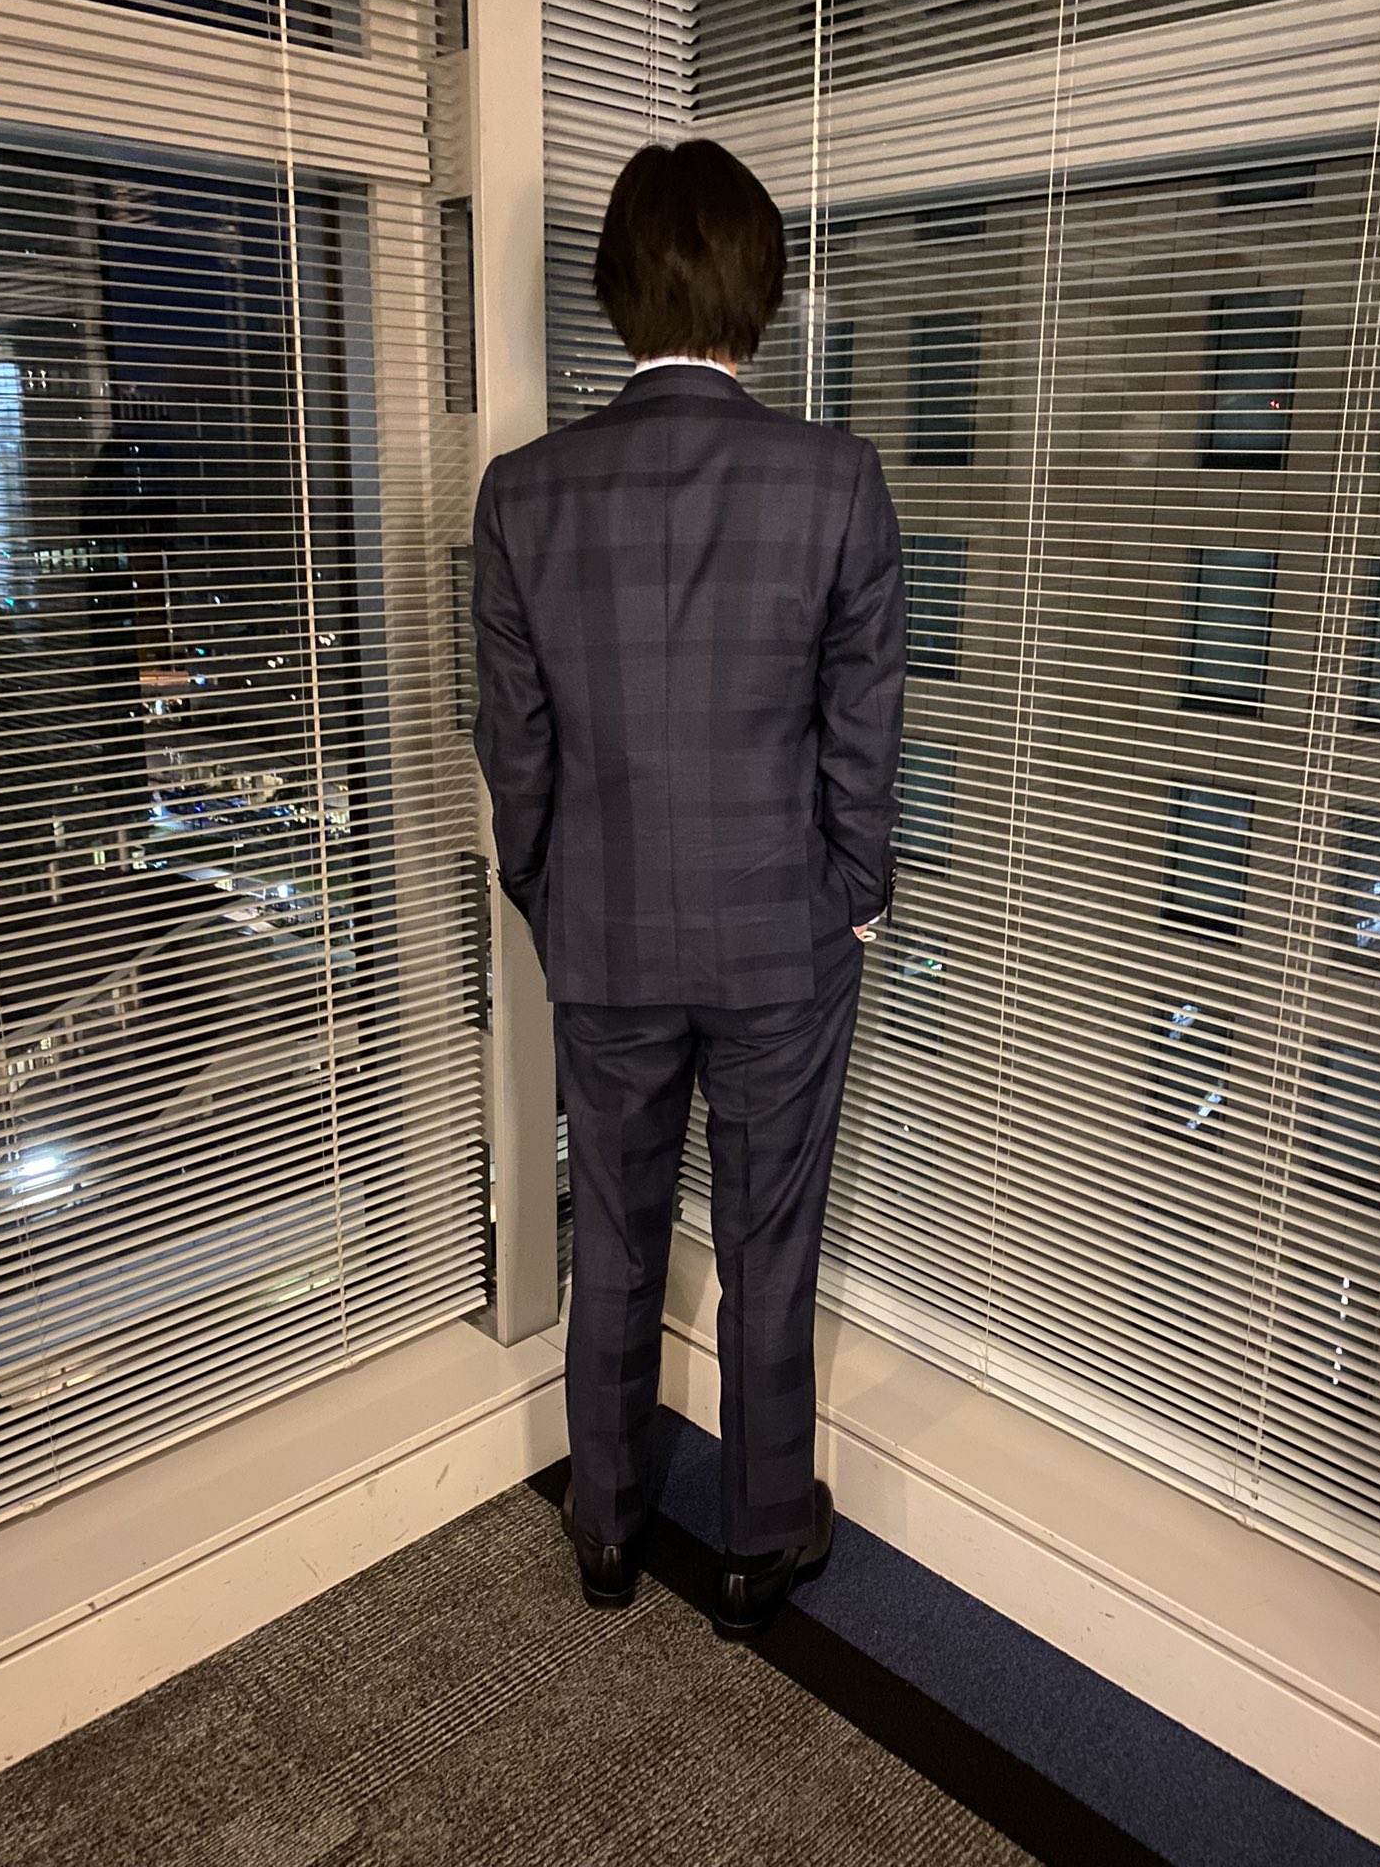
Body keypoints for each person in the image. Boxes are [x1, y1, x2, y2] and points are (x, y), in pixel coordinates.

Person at [472, 138, 905, 1639]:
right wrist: (851, 896)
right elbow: (864, 727)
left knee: (614, 1228)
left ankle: (606, 1526)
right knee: (773, 1241)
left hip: (602, 932)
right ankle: (759, 1545)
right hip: (784, 937)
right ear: (758, 292)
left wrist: (550, 893)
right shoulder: (835, 480)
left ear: (617, 291)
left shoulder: (525, 494)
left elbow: (514, 747)